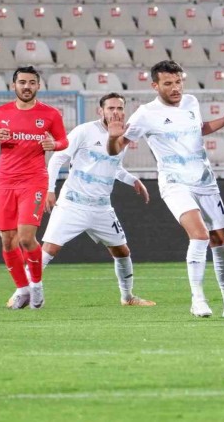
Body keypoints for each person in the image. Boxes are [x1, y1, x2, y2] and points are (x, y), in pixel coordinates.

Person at [106, 60, 224, 318]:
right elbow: (115, 149)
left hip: (205, 180)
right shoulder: (145, 114)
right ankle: (198, 299)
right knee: (199, 235)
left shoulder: (190, 102)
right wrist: (112, 137)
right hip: (175, 182)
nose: (175, 88)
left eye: (178, 82)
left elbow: (198, 129)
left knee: (221, 240)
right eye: (168, 83)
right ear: (155, 86)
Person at [42, 92, 155, 307]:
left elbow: (114, 166)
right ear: (100, 111)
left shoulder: (122, 135)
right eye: (111, 108)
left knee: (122, 251)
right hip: (73, 203)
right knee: (49, 249)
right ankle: (22, 293)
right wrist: (50, 189)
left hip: (102, 208)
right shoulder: (84, 131)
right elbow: (57, 158)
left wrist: (132, 180)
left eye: (119, 108)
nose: (115, 112)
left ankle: (127, 297)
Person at [0, 66, 68, 310]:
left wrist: (54, 144)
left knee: (26, 237)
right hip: (6, 182)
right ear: (14, 86)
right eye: (22, 82)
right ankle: (22, 289)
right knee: (7, 240)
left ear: (38, 86)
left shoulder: (50, 114)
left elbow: (63, 141)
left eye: (31, 82)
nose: (27, 87)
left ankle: (37, 286)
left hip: (33, 180)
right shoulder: (1, 112)